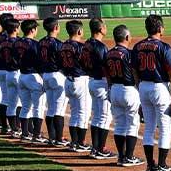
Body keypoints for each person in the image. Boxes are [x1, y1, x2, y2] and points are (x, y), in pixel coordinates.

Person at [132, 15, 171, 171]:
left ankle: (150, 165)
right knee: (165, 126)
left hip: (143, 87)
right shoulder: (163, 47)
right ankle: (162, 165)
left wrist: (139, 85)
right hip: (159, 87)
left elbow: (134, 69)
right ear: (160, 29)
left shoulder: (138, 46)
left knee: (149, 127)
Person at [105, 25, 144, 167]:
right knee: (133, 124)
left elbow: (107, 74)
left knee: (119, 124)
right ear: (127, 37)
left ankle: (121, 157)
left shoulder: (108, 53)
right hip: (129, 90)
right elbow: (136, 72)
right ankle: (129, 157)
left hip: (114, 89)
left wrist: (110, 89)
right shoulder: (130, 53)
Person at [84, 18, 115, 160]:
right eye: (105, 26)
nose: (106, 28)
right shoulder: (100, 47)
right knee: (104, 117)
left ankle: (95, 148)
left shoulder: (86, 44)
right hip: (101, 82)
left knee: (96, 117)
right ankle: (100, 149)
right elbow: (106, 68)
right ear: (101, 29)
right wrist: (110, 84)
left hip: (91, 81)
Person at [59, 20, 92, 152]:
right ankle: (81, 143)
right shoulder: (81, 47)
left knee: (74, 112)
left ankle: (74, 142)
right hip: (80, 80)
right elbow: (88, 64)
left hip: (67, 80)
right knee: (84, 112)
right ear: (79, 31)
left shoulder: (62, 45)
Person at [37, 17, 68, 146]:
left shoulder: (40, 42)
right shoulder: (58, 43)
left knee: (50, 108)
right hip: (57, 75)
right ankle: (59, 139)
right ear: (56, 28)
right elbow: (64, 63)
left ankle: (52, 137)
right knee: (59, 109)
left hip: (46, 75)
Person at [15, 18, 45, 142]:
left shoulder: (16, 43)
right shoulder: (35, 44)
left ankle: (25, 133)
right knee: (39, 107)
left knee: (25, 106)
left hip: (21, 76)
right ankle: (36, 134)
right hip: (33, 76)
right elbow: (40, 63)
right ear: (33, 30)